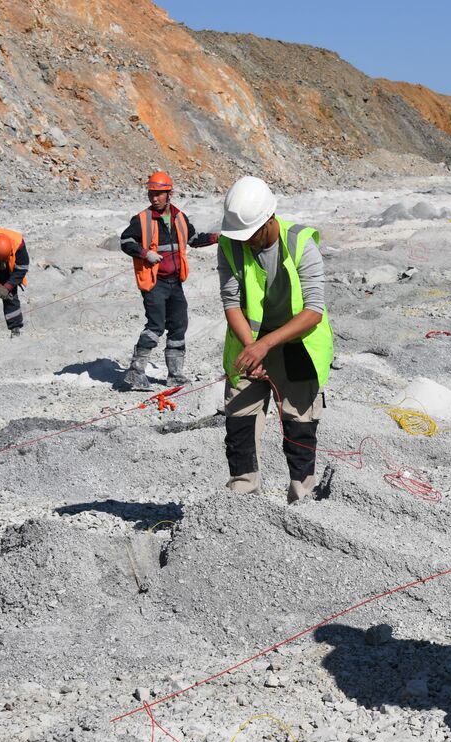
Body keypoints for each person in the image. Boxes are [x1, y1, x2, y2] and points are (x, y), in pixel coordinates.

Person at [216, 176, 334, 503]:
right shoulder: (230, 245)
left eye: (251, 234)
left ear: (269, 220)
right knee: (239, 421)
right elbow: (232, 303)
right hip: (250, 340)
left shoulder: (300, 243)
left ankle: (302, 498)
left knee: (299, 423)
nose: (246, 242)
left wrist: (266, 345)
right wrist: (251, 347)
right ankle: (242, 497)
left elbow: (313, 310)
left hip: (297, 342)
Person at [119, 171, 219, 390]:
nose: (154, 198)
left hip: (175, 282)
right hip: (154, 283)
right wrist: (145, 253)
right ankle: (135, 373)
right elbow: (125, 241)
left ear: (169, 194)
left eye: (158, 194)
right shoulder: (142, 220)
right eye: (151, 193)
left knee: (178, 326)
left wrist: (216, 238)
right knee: (155, 326)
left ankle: (175, 375)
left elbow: (193, 239)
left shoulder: (179, 217)